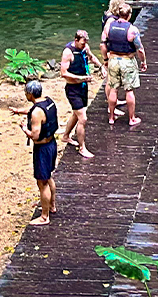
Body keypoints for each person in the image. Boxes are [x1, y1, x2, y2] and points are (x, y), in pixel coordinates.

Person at [13, 80, 59, 225]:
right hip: (52, 144)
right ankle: (52, 206)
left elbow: (35, 135)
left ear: (30, 94)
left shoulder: (37, 113)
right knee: (48, 177)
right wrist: (19, 111)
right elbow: (36, 111)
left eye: (26, 93)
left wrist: (23, 128)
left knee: (42, 182)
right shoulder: (48, 102)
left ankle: (44, 217)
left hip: (43, 149)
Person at [100, 6, 147, 128]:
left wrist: (105, 59)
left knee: (113, 88)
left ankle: (111, 117)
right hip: (127, 60)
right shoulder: (132, 30)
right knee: (129, 90)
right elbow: (140, 49)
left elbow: (103, 44)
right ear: (129, 15)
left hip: (113, 60)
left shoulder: (109, 26)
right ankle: (131, 118)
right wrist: (143, 62)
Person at [58, 30, 99, 159]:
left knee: (77, 114)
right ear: (76, 40)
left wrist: (101, 66)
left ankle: (65, 136)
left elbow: (91, 57)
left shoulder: (85, 47)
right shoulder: (68, 52)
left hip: (83, 87)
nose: (84, 45)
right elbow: (63, 73)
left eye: (85, 43)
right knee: (83, 118)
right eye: (82, 43)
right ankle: (82, 148)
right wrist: (81, 78)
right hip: (72, 89)